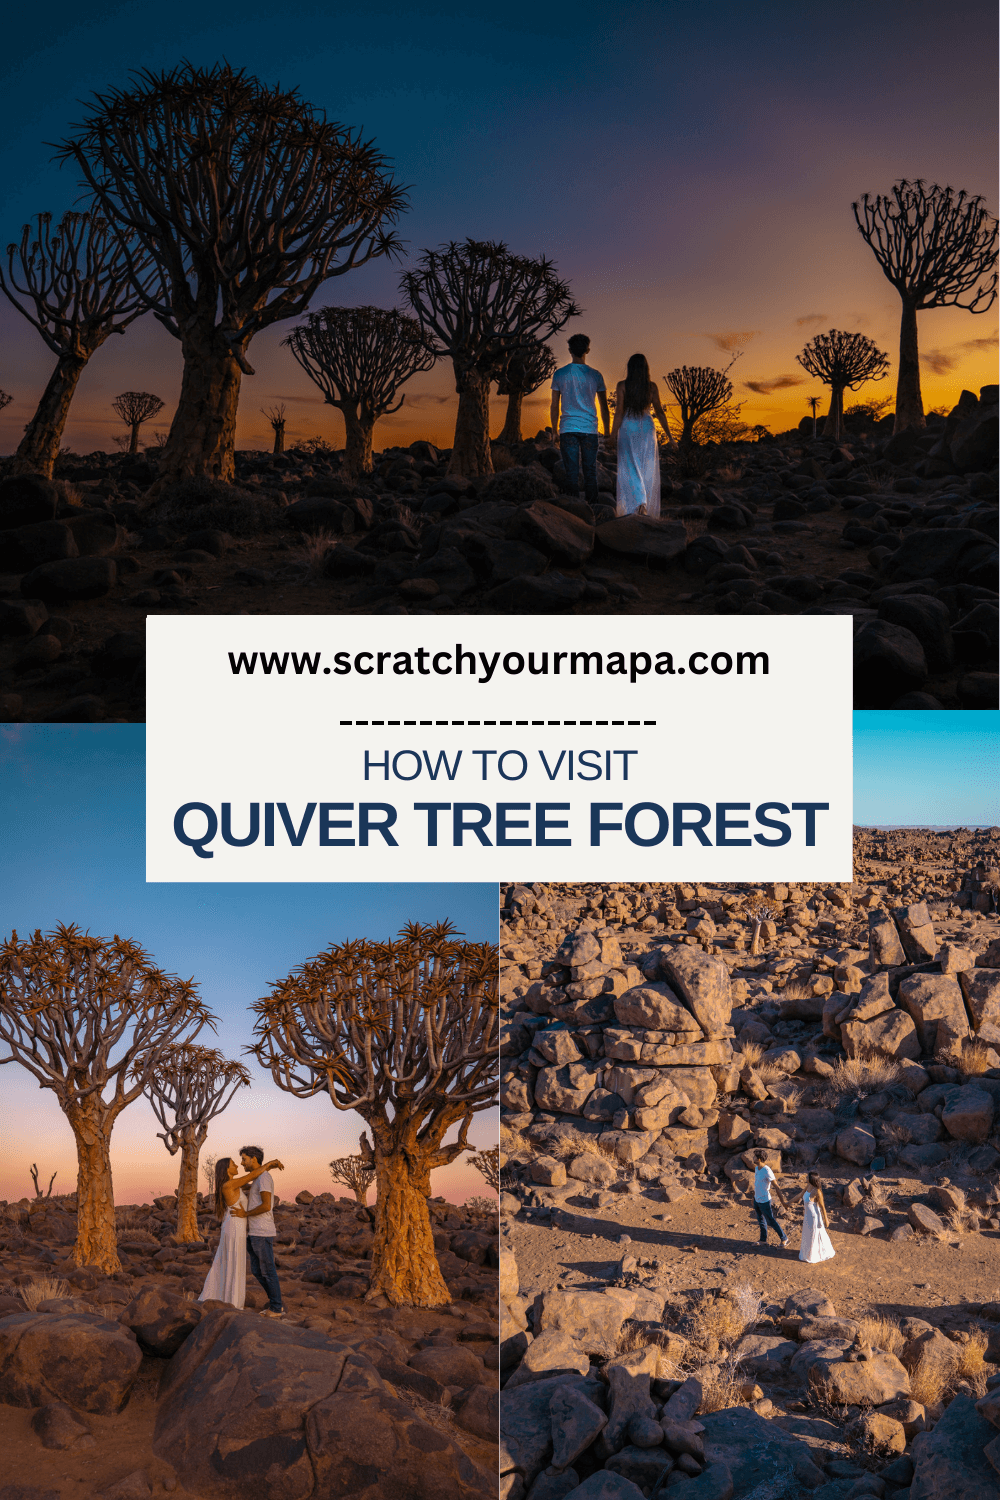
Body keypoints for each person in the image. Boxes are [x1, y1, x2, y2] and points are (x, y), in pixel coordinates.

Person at [199, 1153, 284, 1310]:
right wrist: (269, 1164)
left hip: (237, 1227)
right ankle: (230, 1301)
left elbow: (255, 1180)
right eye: (233, 1164)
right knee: (232, 1261)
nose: (237, 1165)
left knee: (233, 1261)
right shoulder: (229, 1186)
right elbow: (252, 1176)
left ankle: (229, 1298)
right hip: (234, 1227)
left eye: (240, 1161)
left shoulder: (233, 1184)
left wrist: (265, 1172)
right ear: (226, 1169)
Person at [610, 353, 676, 518]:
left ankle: (639, 504)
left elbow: (619, 412)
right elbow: (659, 412)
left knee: (630, 466)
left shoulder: (622, 386)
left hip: (628, 426)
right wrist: (670, 437)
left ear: (630, 368)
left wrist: (612, 435)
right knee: (646, 467)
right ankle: (642, 503)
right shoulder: (651, 387)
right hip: (647, 427)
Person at [550, 333, 610, 506]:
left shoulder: (560, 374)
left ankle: (574, 512)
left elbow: (554, 405)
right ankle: (594, 510)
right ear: (588, 350)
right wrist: (607, 432)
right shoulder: (596, 375)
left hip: (568, 428)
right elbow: (604, 407)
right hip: (590, 429)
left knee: (571, 473)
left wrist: (554, 430)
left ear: (569, 350)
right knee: (590, 471)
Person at [239, 1145, 286, 1318]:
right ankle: (275, 1304)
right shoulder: (258, 1178)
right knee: (258, 1271)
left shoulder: (264, 1177)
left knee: (267, 1270)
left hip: (262, 1231)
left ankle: (276, 1307)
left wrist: (246, 1214)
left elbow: (267, 1205)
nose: (242, 1162)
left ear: (253, 1158)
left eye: (244, 1159)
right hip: (254, 1232)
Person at [751, 1150, 788, 1250]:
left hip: (764, 1201)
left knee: (770, 1220)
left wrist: (783, 1201)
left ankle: (784, 1238)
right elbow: (757, 1184)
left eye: (754, 1157)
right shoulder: (757, 1169)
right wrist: (754, 1197)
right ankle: (763, 1240)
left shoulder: (767, 1170)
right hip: (757, 1199)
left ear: (758, 1159)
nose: (753, 1158)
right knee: (760, 1220)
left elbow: (776, 1186)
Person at [799, 1173, 835, 1264]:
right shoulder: (808, 1186)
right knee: (808, 1234)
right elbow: (800, 1195)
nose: (806, 1177)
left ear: (812, 1179)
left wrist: (825, 1219)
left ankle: (813, 1255)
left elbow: (822, 1206)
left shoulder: (817, 1191)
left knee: (814, 1234)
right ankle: (807, 1254)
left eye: (808, 1177)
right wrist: (788, 1202)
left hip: (814, 1216)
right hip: (807, 1215)